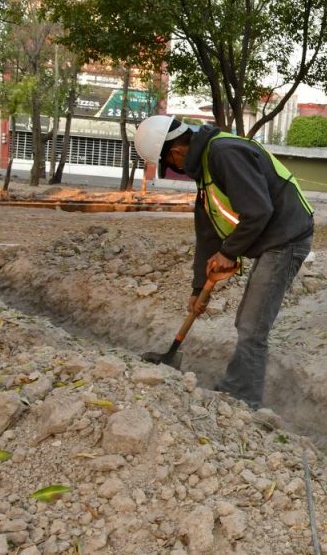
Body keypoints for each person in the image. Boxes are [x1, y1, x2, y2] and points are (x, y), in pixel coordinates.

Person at [134, 116, 315, 409]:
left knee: (252, 324)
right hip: (271, 239)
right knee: (247, 319)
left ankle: (241, 398)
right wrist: (197, 289)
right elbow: (207, 235)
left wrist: (229, 252)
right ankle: (238, 390)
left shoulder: (224, 153)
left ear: (176, 152)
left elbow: (257, 211)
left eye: (170, 164)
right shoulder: (206, 170)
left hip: (286, 237)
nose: (175, 169)